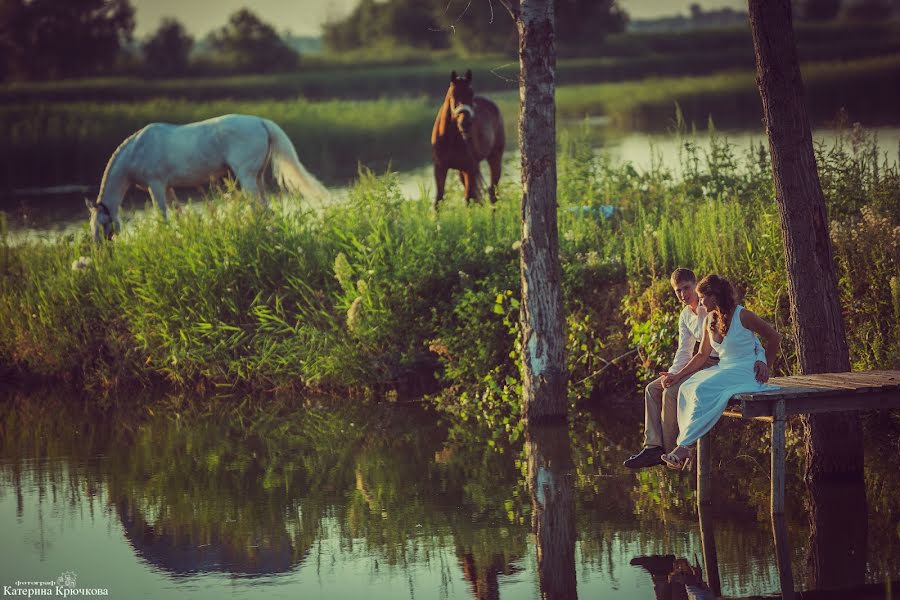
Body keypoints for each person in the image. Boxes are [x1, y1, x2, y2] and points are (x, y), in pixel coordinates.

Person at [661, 274, 781, 470]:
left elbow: (774, 337)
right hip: (725, 367)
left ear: (714, 297)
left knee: (703, 390)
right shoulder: (710, 319)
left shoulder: (743, 315)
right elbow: (701, 356)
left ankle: (683, 447)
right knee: (687, 387)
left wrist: (766, 365)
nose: (699, 302)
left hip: (745, 369)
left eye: (702, 297)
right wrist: (677, 375)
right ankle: (685, 445)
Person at [624, 268, 720, 469]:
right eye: (678, 290)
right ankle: (652, 446)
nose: (683, 294)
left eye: (686, 288)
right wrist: (672, 374)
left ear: (695, 285)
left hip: (715, 362)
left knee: (671, 392)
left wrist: (676, 379)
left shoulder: (710, 307)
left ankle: (668, 452)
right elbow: (684, 351)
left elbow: (704, 353)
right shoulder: (685, 315)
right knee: (652, 388)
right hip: (697, 361)